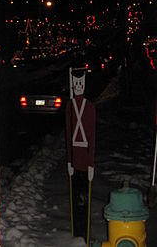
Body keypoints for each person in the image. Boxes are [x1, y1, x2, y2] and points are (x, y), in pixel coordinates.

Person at [66, 69, 95, 241]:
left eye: (80, 83)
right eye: (75, 83)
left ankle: (84, 235)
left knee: (84, 198)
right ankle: (77, 235)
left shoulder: (89, 107)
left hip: (84, 159)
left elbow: (92, 135)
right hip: (75, 161)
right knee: (76, 199)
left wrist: (91, 163)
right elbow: (69, 134)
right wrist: (69, 161)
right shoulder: (69, 106)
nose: (78, 87)